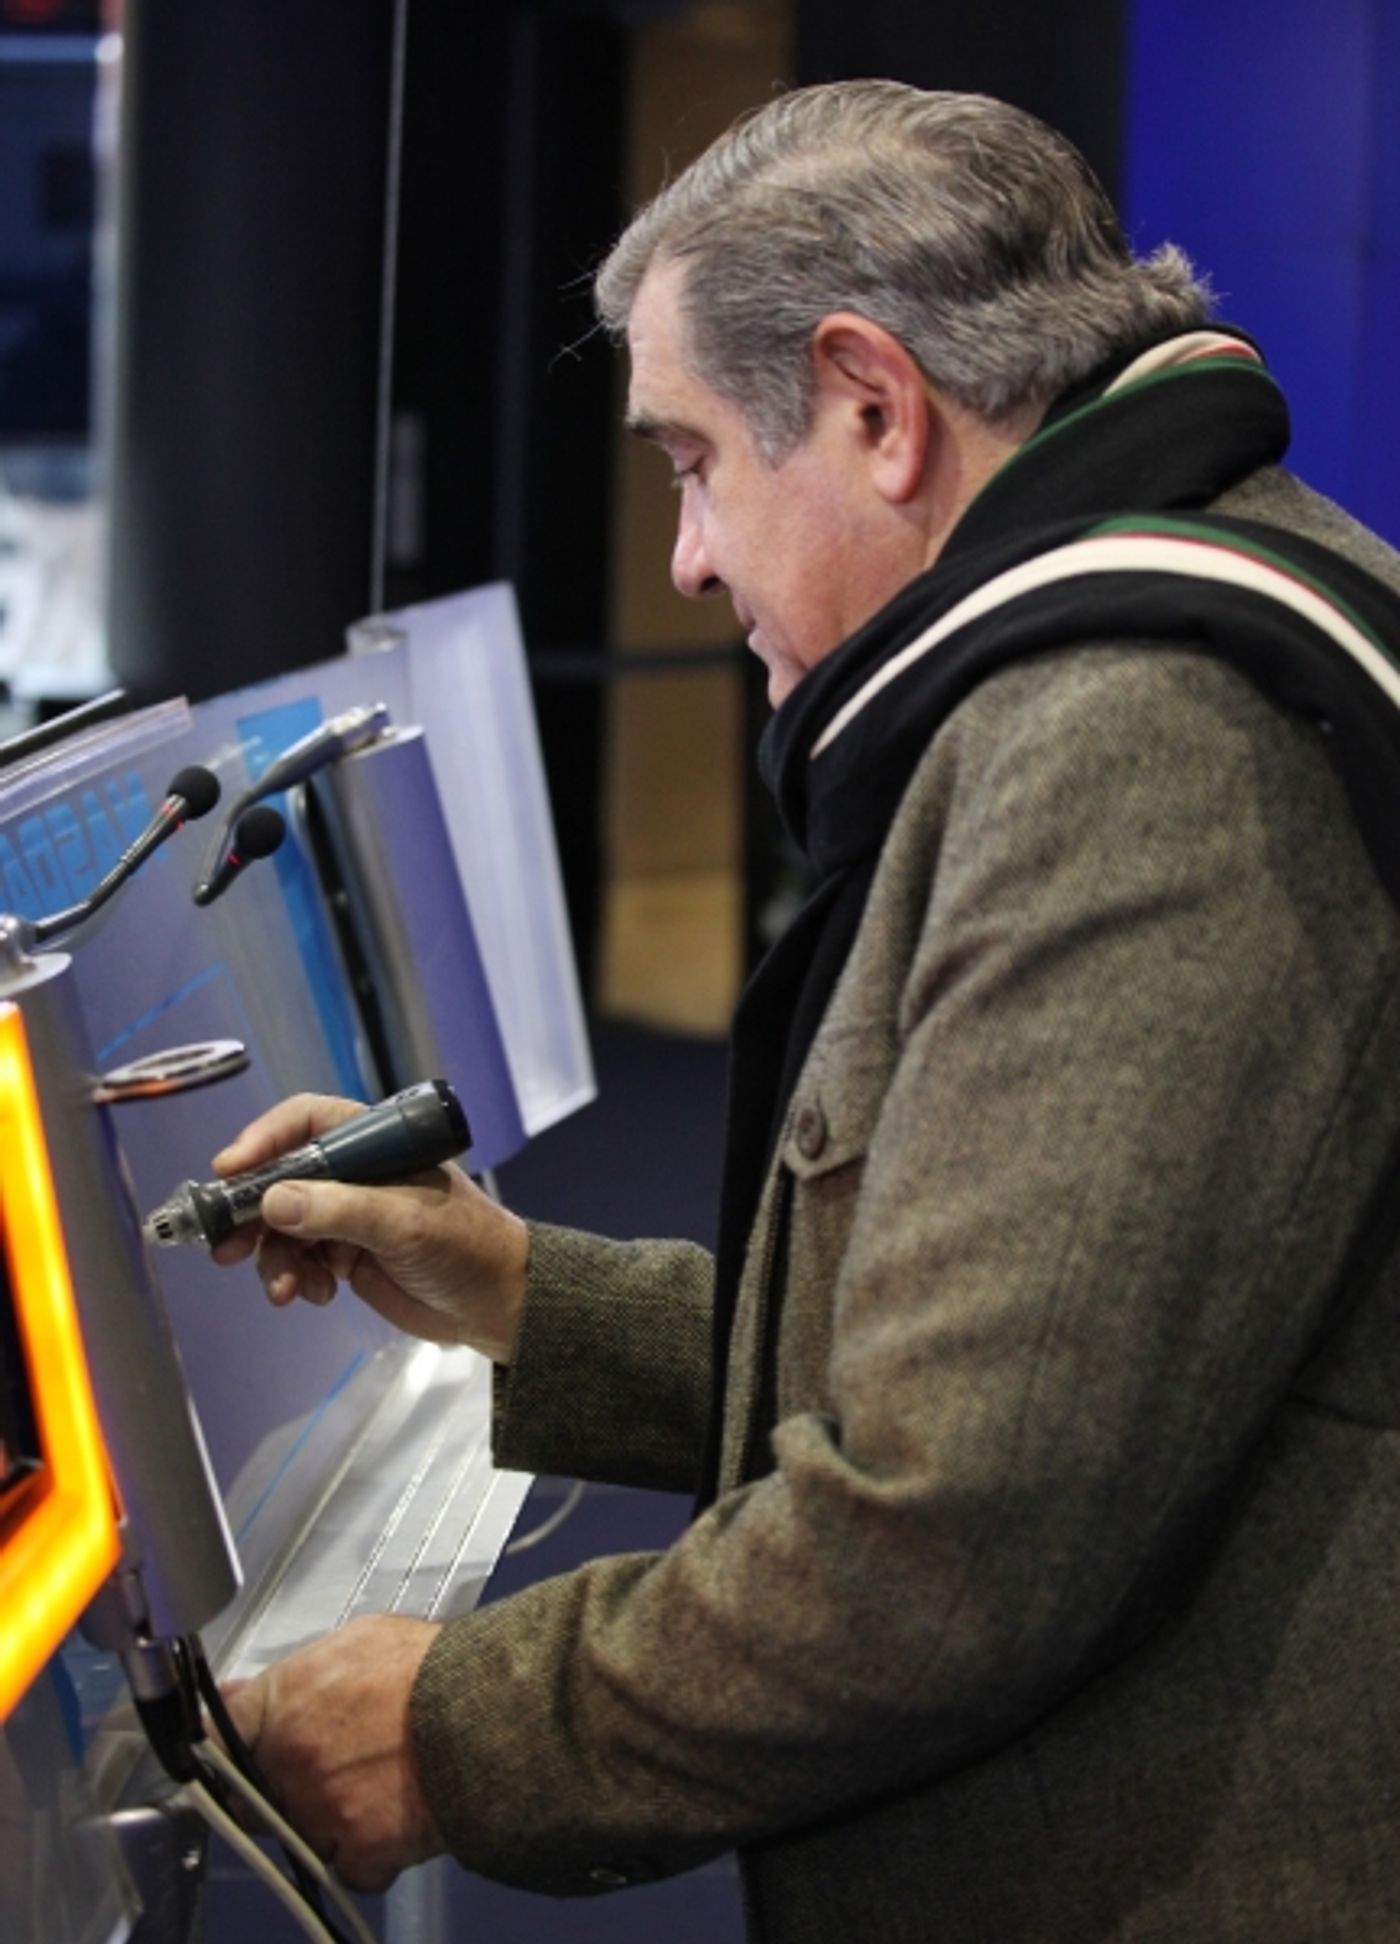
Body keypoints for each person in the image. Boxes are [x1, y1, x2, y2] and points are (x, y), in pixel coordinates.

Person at [217, 82, 1400, 1940]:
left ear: (870, 403)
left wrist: (445, 1737)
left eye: (690, 462)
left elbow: (956, 1533)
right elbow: (1003, 1367)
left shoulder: (1137, 740)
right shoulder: (1154, 654)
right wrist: (524, 1292)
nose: (685, 557)